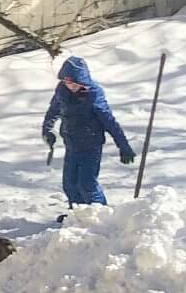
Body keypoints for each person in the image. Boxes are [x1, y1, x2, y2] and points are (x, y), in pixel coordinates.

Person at [41, 56, 136, 207]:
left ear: (82, 81)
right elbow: (53, 111)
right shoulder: (62, 91)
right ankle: (77, 214)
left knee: (86, 183)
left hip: (91, 144)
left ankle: (99, 213)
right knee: (70, 183)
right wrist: (47, 130)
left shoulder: (93, 94)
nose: (69, 86)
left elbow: (109, 121)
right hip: (71, 143)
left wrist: (123, 146)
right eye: (66, 82)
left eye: (73, 83)